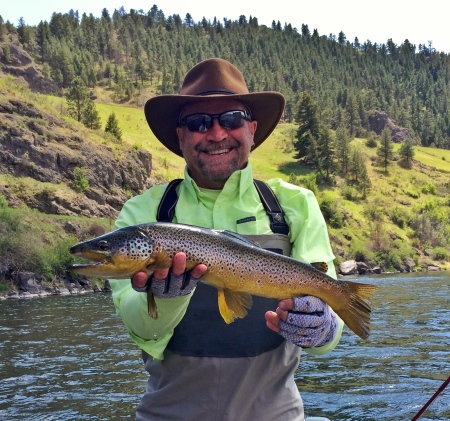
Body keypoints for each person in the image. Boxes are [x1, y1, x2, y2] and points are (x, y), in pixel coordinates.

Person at [109, 58, 343, 421]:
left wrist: (322, 327)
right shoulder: (142, 216)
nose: (217, 134)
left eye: (231, 118)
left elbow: (329, 321)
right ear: (180, 135)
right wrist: (168, 299)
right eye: (199, 123)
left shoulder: (296, 205)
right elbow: (140, 330)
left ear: (251, 129)